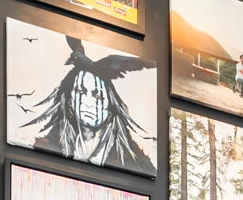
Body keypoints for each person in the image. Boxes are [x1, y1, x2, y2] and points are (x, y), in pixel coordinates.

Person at [19, 37, 156, 175]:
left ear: (110, 105)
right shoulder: (46, 145)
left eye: (97, 96)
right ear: (69, 101)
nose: (88, 103)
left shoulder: (136, 162)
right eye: (81, 92)